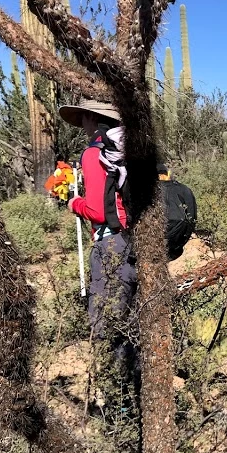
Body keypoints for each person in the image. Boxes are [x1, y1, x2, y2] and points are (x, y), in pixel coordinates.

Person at [58, 99, 137, 398]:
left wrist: (73, 204)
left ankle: (119, 403)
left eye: (83, 119)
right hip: (135, 243)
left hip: (109, 244)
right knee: (131, 320)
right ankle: (136, 394)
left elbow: (97, 210)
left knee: (105, 323)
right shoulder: (127, 151)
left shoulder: (94, 154)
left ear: (93, 119)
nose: (81, 125)